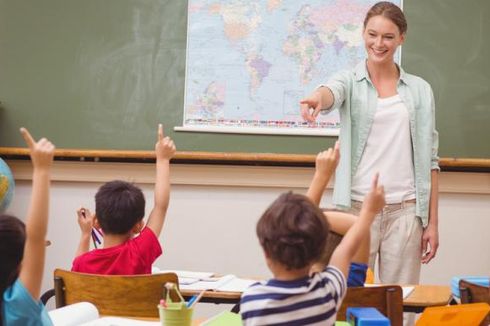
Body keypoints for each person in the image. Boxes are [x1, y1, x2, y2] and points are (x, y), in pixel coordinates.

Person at [300, 1, 439, 290]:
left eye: (388, 37)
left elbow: (431, 163)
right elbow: (330, 92)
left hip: (406, 213)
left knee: (399, 305)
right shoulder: (349, 81)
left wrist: (432, 224)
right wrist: (316, 97)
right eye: (372, 34)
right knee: (347, 297)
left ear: (401, 38)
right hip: (354, 210)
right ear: (363, 33)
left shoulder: (420, 90)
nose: (379, 43)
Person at [239, 174, 385, 325]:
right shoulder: (327, 292)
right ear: (317, 251)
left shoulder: (252, 299)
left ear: (266, 253)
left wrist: (321, 174)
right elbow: (345, 251)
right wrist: (369, 212)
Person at [72, 124, 175, 275]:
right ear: (139, 226)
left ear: (96, 222)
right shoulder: (139, 253)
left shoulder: (83, 263)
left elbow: (76, 276)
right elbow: (161, 206)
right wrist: (163, 160)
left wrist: (86, 233)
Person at [1, 128, 55, 325]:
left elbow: (35, 239)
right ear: (20, 263)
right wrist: (42, 170)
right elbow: (36, 237)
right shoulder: (18, 307)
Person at [306, 143, 370, 287]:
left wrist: (321, 175)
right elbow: (359, 228)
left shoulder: (296, 287)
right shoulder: (349, 282)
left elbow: (300, 223)